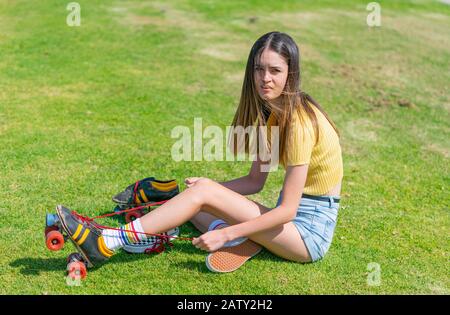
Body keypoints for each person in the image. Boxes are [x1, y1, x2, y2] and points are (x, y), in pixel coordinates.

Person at [58, 31, 343, 273]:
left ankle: (106, 242)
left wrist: (226, 231)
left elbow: (287, 210)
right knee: (197, 197)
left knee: (201, 196)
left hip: (307, 235)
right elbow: (254, 182)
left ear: (290, 74)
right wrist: (207, 190)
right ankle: (239, 239)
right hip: (288, 224)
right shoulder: (270, 114)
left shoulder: (299, 123)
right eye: (259, 69)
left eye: (275, 70)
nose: (265, 78)